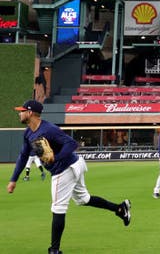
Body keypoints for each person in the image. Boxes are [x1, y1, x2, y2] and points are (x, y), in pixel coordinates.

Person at [7, 100, 130, 254]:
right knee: (83, 199)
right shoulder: (28, 133)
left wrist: (56, 158)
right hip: (74, 165)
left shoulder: (49, 129)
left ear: (30, 113)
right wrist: (13, 179)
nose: (19, 113)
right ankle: (120, 208)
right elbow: (23, 156)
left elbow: (71, 144)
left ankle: (54, 250)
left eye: (22, 110)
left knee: (58, 208)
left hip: (65, 169)